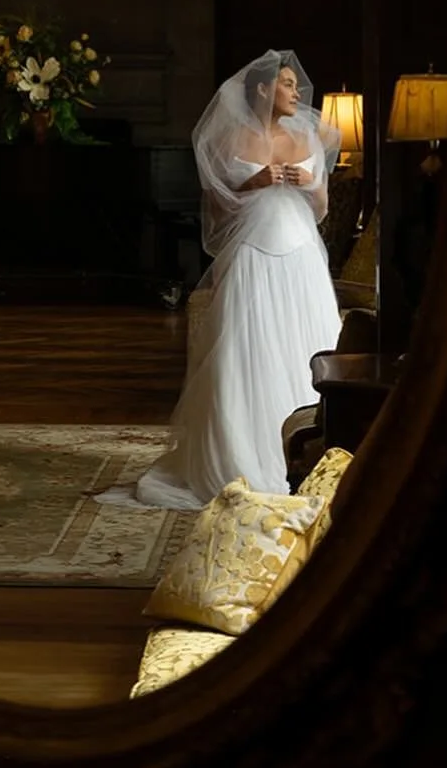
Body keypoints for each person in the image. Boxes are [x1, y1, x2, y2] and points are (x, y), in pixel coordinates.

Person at [99, 48, 342, 509]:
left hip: (301, 257)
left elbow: (323, 208)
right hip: (251, 254)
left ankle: (309, 450)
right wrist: (255, 183)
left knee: (304, 342)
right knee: (243, 349)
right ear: (264, 88)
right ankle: (239, 455)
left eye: (295, 85)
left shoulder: (307, 135)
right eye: (287, 84)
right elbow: (215, 210)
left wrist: (305, 182)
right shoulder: (230, 138)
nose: (296, 92)